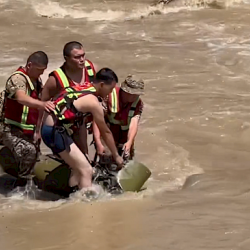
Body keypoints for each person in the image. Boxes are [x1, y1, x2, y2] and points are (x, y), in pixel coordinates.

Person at [41, 68, 123, 192]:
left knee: (78, 167)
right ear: (101, 85)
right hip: (55, 132)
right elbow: (105, 132)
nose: (110, 93)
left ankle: (72, 193)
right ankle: (86, 205)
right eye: (110, 89)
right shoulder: (93, 102)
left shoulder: (83, 86)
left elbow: (79, 123)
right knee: (86, 170)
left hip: (50, 129)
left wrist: (83, 150)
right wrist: (116, 156)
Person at [36, 41, 98, 153]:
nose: (82, 59)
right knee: (80, 156)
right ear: (67, 59)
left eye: (83, 55)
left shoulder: (92, 70)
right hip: (64, 124)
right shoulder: (55, 80)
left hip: (86, 120)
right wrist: (37, 131)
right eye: (77, 57)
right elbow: (42, 103)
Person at [2, 51, 55, 180]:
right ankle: (21, 187)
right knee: (29, 151)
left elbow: (37, 109)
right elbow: (21, 98)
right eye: (39, 70)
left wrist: (37, 131)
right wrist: (42, 104)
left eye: (43, 70)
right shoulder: (17, 78)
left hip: (25, 130)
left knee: (36, 155)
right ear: (29, 65)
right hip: (7, 128)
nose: (41, 73)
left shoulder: (36, 80)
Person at [93, 75, 144, 162]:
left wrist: (129, 142)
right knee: (105, 158)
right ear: (124, 90)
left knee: (127, 159)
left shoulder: (138, 104)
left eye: (136, 94)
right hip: (107, 133)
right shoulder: (107, 96)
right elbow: (97, 120)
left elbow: (134, 123)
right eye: (131, 94)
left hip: (124, 135)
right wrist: (98, 142)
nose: (134, 97)